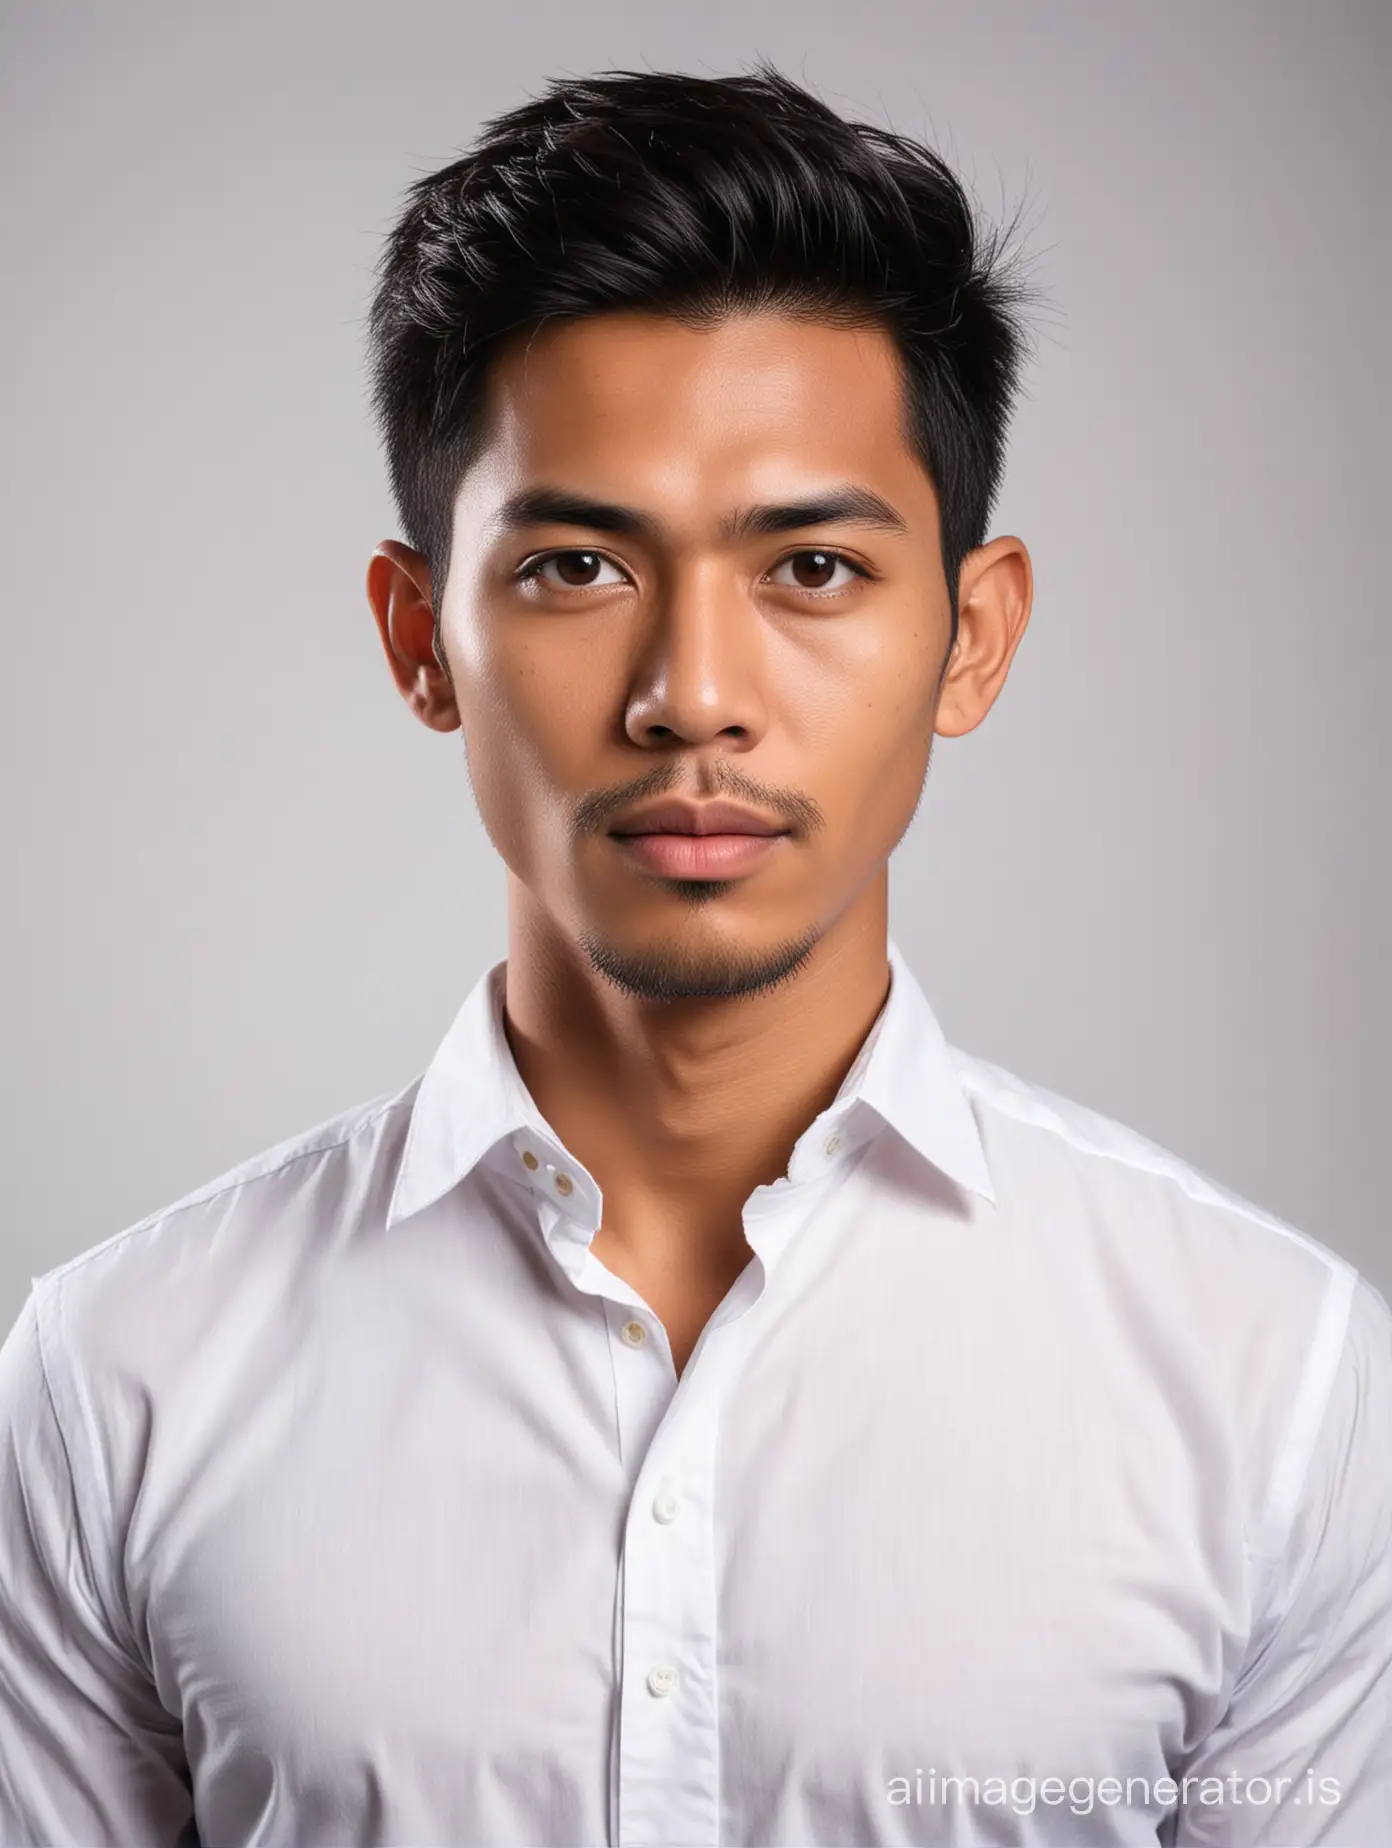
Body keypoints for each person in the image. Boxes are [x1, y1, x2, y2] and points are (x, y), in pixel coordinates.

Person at [0, 61, 1387, 1848]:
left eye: (811, 568)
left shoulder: (1270, 1385)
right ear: (421, 640)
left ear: (973, 638)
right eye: (578, 566)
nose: (694, 698)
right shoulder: (118, 1380)